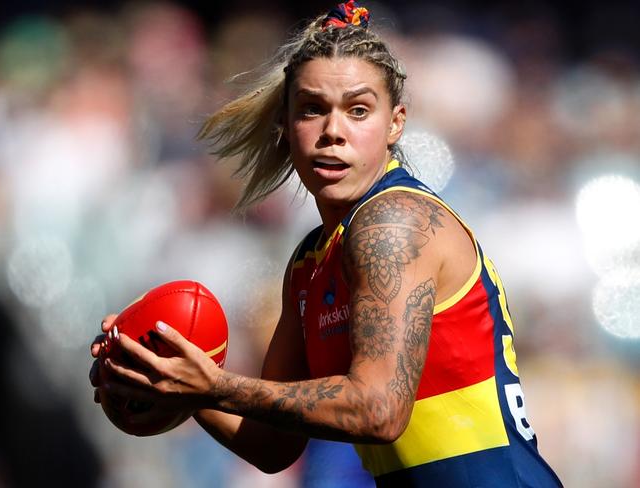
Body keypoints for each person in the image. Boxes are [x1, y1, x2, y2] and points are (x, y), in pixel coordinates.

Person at [90, 2, 562, 486]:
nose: (333, 132)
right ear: (285, 124)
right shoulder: (311, 260)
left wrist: (214, 385)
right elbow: (272, 444)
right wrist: (176, 382)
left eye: (358, 110)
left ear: (396, 122)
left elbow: (378, 410)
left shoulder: (393, 224)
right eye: (312, 109)